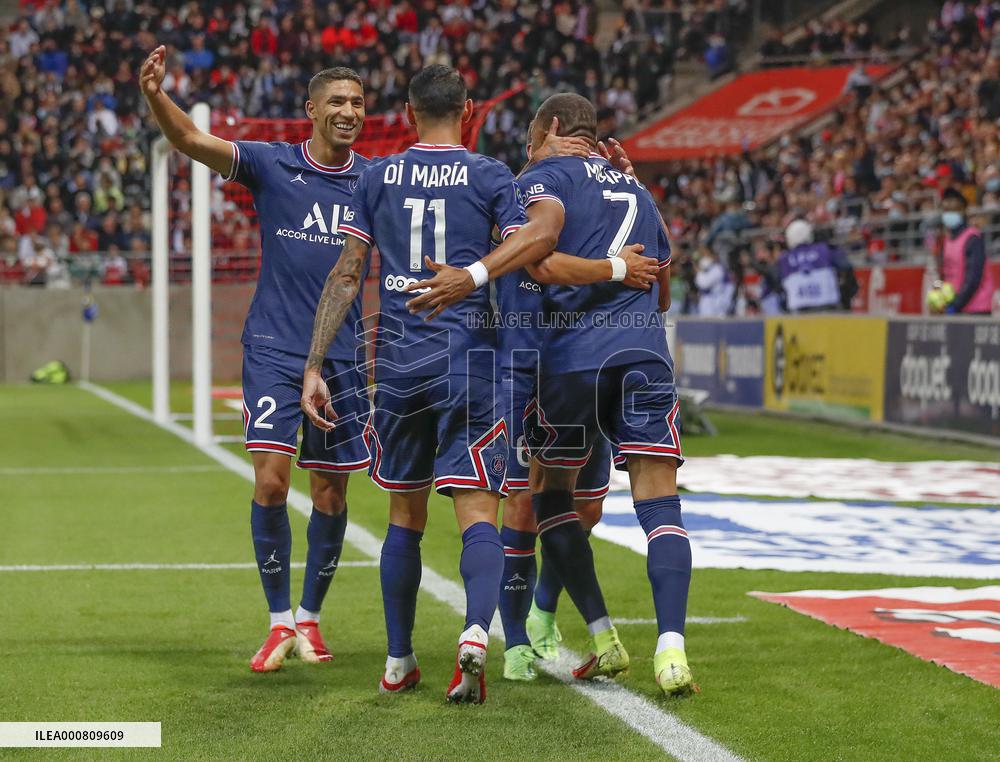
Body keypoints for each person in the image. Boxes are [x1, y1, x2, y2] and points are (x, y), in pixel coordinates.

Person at [300, 65, 581, 704]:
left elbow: (346, 275)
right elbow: (536, 245)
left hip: (398, 364)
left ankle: (399, 660)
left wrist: (315, 363)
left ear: (405, 113)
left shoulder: (374, 175)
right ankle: (476, 635)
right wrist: (474, 276)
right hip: (470, 363)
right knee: (477, 511)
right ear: (470, 109)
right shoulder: (489, 176)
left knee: (405, 513)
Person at [408, 93, 695, 697]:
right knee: (649, 504)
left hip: (560, 362)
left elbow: (539, 255)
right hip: (641, 355)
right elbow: (663, 289)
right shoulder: (633, 188)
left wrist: (476, 276)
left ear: (552, 130)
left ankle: (563, 628)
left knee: (549, 502)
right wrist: (622, 268)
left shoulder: (539, 180)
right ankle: (661, 647)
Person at [141, 46, 372, 673]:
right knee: (271, 480)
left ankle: (309, 619)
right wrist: (156, 94)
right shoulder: (272, 165)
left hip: (344, 354)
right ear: (311, 111)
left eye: (357, 102)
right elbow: (190, 137)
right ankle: (276, 621)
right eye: (337, 102)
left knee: (329, 491)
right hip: (273, 347)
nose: (349, 111)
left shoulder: (373, 182)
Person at [494, 138, 656, 682]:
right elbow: (539, 259)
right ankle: (516, 640)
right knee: (522, 504)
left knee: (584, 508)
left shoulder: (589, 196)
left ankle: (542, 613)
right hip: (525, 363)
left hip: (580, 361)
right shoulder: (521, 193)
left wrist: (616, 183)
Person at [778, 219, 857, 313]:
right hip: (828, 307)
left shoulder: (785, 259)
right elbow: (846, 266)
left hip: (799, 310)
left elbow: (780, 287)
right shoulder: (824, 249)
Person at [938, 187, 996, 314]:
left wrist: (956, 305)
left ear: (963, 211)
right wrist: (938, 296)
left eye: (953, 210)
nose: (948, 214)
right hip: (955, 306)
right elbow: (942, 275)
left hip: (976, 309)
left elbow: (973, 278)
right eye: (946, 210)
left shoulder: (973, 238)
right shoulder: (946, 241)